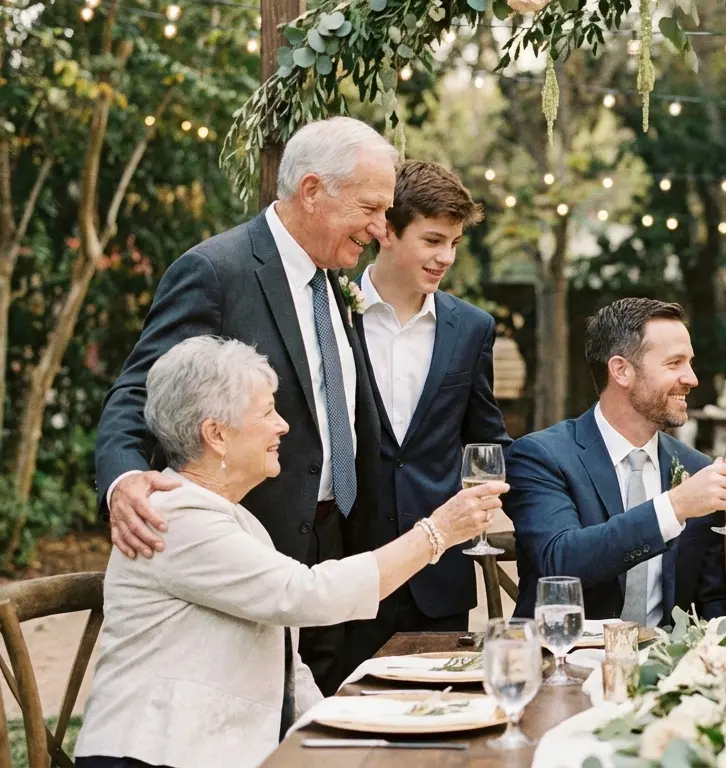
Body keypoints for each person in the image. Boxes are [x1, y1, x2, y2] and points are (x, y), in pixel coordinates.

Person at [74, 337, 505, 768]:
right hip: (149, 755)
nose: (283, 425)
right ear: (216, 434)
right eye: (266, 412)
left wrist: (344, 736)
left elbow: (287, 667)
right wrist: (437, 532)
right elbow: (308, 594)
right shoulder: (174, 516)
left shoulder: (234, 520)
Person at [94, 117, 395, 692]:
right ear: (312, 190)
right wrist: (124, 479)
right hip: (248, 543)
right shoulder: (216, 270)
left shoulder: (333, 280)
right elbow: (139, 390)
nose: (383, 229)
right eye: (371, 208)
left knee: (321, 719)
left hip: (338, 536)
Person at [342, 160, 512, 669]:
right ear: (387, 231)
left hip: (438, 585)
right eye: (433, 240)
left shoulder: (472, 329)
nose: (446, 258)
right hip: (346, 571)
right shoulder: (330, 312)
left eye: (455, 244)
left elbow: (489, 440)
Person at [504, 298, 726, 625]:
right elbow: (560, 561)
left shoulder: (697, 469)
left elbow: (711, 600)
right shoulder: (541, 456)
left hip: (666, 669)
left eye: (689, 363)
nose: (692, 378)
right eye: (674, 363)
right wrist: (674, 506)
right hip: (562, 660)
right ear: (621, 370)